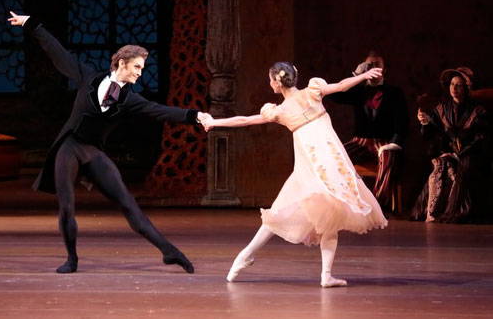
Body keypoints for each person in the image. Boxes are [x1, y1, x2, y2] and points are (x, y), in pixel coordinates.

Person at [8, 12, 211, 274]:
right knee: (67, 205)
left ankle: (169, 251)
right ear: (123, 63)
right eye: (137, 67)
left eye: (142, 69)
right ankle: (72, 259)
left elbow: (160, 111)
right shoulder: (88, 77)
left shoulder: (130, 99)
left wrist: (195, 116)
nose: (140, 73)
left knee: (127, 201)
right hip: (69, 147)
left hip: (92, 152)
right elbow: (59, 54)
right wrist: (31, 24)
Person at [203, 62, 387, 287]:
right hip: (325, 168)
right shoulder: (312, 93)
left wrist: (214, 122)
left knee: (318, 216)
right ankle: (248, 256)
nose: (269, 83)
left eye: (270, 79)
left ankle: (318, 274)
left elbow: (245, 120)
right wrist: (365, 75)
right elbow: (341, 86)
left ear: (277, 83)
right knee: (326, 216)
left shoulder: (282, 110)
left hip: (320, 169)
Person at [327, 52, 408, 211]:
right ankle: (342, 202)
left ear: (384, 70)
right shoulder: (359, 91)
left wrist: (394, 143)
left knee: (387, 155)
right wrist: (357, 74)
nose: (372, 68)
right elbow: (335, 95)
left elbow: (402, 121)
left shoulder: (394, 92)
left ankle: (377, 206)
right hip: (360, 141)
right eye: (369, 65)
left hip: (383, 142)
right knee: (337, 155)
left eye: (377, 64)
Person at [412, 67, 491, 223]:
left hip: (472, 153)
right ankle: (431, 211)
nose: (454, 88)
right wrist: (425, 122)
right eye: (452, 84)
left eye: (459, 85)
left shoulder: (478, 111)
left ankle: (456, 212)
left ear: (467, 88)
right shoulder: (442, 109)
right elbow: (428, 135)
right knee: (439, 166)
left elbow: (481, 138)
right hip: (448, 152)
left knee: (465, 166)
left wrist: (459, 154)